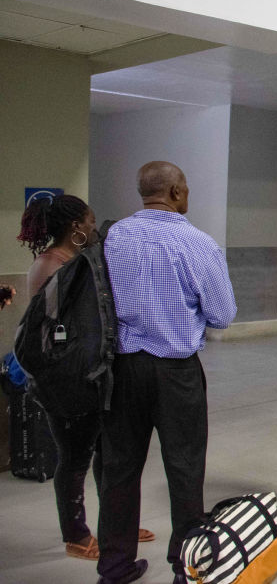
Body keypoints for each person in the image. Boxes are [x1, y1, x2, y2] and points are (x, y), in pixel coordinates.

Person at [97, 162, 237, 584]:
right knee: (185, 468)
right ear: (176, 191)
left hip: (121, 368)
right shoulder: (197, 243)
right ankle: (187, 568)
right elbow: (223, 314)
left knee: (119, 469)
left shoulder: (113, 236)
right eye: (187, 188)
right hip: (176, 371)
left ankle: (115, 569)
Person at [15, 195, 156, 562]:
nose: (94, 227)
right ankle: (76, 535)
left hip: (95, 378)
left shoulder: (81, 263)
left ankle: (116, 524)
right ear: (77, 226)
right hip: (65, 383)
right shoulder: (50, 266)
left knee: (108, 454)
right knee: (74, 458)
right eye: (90, 221)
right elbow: (53, 335)